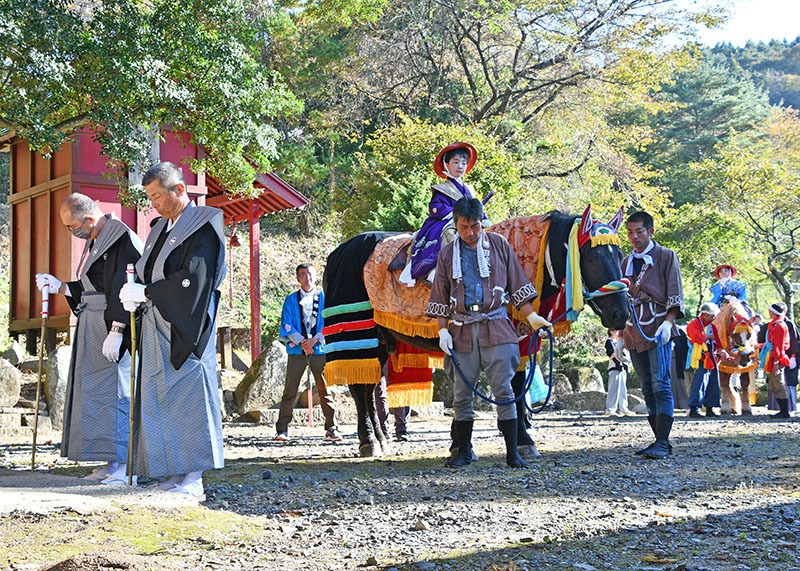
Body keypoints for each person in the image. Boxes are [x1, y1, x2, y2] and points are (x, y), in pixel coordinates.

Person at [118, 161, 226, 499]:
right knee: (161, 397)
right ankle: (175, 471)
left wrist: (148, 292)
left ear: (179, 190)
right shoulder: (160, 228)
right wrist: (135, 292)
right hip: (156, 323)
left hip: (186, 323)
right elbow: (148, 270)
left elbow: (193, 280)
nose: (153, 204)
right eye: (149, 197)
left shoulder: (203, 226)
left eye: (156, 196)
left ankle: (194, 477)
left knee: (189, 396)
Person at [427, 197, 552, 468]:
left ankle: (512, 452)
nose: (471, 233)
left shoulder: (498, 245)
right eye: (464, 227)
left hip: (496, 325)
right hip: (461, 329)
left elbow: (517, 283)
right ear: (456, 225)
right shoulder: (448, 254)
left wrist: (532, 317)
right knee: (462, 394)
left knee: (504, 391)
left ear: (482, 222)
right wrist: (442, 331)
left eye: (475, 226)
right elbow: (440, 294)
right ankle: (463, 451)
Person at [35, 194, 142, 484]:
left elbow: (124, 285)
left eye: (72, 227)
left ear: (90, 220)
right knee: (97, 393)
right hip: (92, 322)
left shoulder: (121, 239)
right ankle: (110, 459)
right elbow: (90, 288)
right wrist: (59, 287)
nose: (73, 233)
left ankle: (125, 464)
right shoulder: (98, 239)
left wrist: (118, 330)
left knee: (117, 392)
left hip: (111, 325)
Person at [622, 211, 685, 459]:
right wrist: (616, 334)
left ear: (650, 231)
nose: (634, 237)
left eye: (639, 231)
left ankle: (662, 440)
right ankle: (659, 441)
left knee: (661, 384)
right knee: (647, 387)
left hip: (658, 326)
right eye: (630, 232)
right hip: (632, 328)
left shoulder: (666, 256)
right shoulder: (625, 261)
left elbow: (674, 289)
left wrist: (669, 322)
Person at [275, 263, 342, 442]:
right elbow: (287, 323)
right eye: (303, 274)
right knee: (291, 388)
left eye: (310, 274)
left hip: (319, 348)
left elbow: (330, 321)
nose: (307, 277)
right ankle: (282, 429)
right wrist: (302, 342)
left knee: (325, 389)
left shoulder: (325, 297)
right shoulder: (290, 299)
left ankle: (331, 427)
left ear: (316, 275)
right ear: (298, 278)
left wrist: (315, 340)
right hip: (297, 349)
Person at [403, 142, 486, 283]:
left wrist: (483, 217)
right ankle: (440, 270)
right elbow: (436, 207)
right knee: (450, 234)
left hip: (469, 221)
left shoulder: (469, 189)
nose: (460, 166)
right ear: (446, 164)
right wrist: (458, 213)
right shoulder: (442, 189)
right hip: (446, 221)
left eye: (463, 163)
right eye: (456, 162)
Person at [685, 303, 721, 418]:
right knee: (699, 383)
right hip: (700, 357)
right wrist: (708, 336)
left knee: (713, 382)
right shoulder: (693, 324)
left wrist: (721, 351)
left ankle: (710, 408)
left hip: (711, 357)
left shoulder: (712, 326)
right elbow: (696, 338)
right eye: (712, 316)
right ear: (704, 314)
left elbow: (717, 341)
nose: (714, 318)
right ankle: (694, 408)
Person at [763, 302, 792, 419]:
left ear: (773, 313)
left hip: (777, 359)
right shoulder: (775, 324)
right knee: (774, 385)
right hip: (774, 357)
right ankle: (782, 410)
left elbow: (778, 346)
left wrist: (775, 363)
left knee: (778, 384)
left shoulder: (779, 326)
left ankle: (784, 412)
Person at [605, 330, 632, 415]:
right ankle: (610, 409)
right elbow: (610, 354)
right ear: (612, 331)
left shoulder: (621, 342)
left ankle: (623, 408)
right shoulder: (610, 341)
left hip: (622, 367)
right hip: (614, 367)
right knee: (613, 388)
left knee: (623, 389)